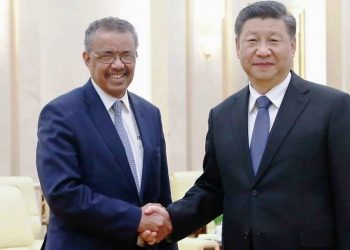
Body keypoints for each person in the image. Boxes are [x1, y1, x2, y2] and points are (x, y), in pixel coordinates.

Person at [143, 1, 350, 249]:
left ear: (293, 45)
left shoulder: (333, 107)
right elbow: (212, 188)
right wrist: (169, 219)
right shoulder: (221, 115)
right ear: (237, 47)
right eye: (252, 41)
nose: (263, 51)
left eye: (274, 40)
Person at [36, 17, 176, 250]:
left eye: (127, 55)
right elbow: (64, 194)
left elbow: (161, 196)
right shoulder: (61, 114)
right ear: (87, 59)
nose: (119, 64)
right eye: (107, 55)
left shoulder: (150, 114)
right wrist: (135, 218)